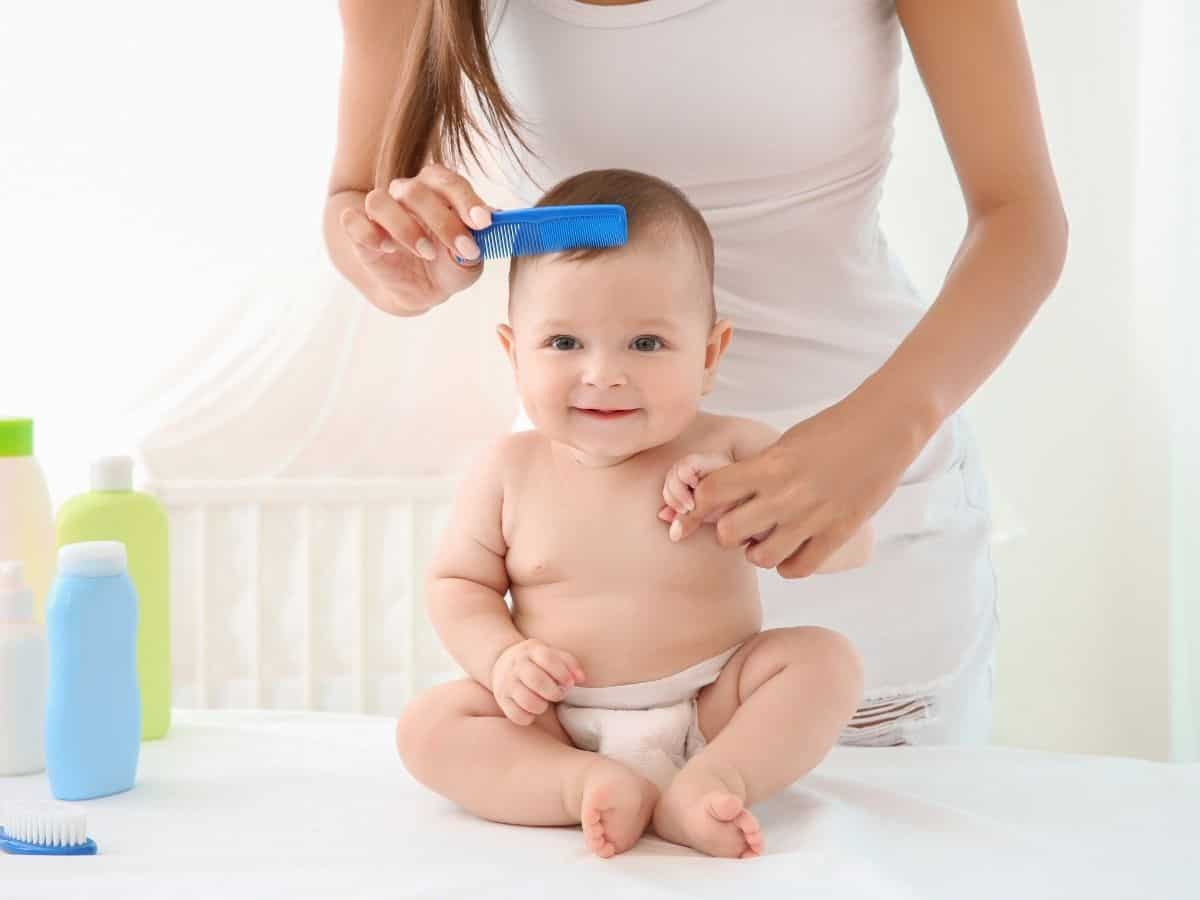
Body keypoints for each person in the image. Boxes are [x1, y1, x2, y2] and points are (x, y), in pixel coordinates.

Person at [323, 1, 1068, 747]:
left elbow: (1021, 217)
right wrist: (406, 257)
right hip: (584, 556)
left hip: (857, 511)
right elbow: (356, 207)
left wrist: (874, 442)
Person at [396, 168, 871, 859]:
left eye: (646, 344)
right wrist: (502, 659)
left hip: (714, 703)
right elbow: (457, 585)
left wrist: (749, 500)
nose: (603, 374)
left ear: (709, 355)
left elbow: (849, 539)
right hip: (555, 720)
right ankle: (578, 783)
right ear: (514, 352)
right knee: (430, 725)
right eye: (563, 343)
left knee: (824, 661)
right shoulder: (509, 470)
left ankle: (714, 780)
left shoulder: (733, 448)